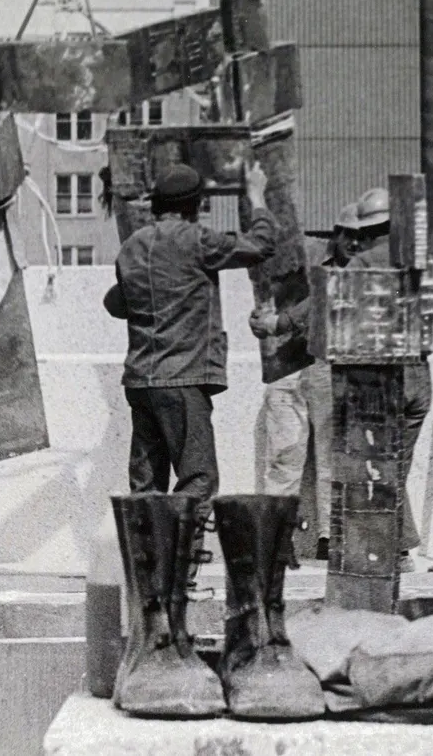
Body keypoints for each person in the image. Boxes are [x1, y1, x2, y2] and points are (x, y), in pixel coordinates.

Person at [104, 161, 276, 579]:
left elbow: (116, 304)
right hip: (184, 378)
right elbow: (261, 244)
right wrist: (256, 197)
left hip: (142, 380)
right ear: (194, 206)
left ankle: (145, 579)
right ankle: (184, 576)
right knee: (197, 480)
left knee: (146, 486)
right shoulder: (196, 240)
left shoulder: (131, 247)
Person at [255, 185, 432, 571]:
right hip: (420, 376)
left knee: (374, 467)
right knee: (396, 465)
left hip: (381, 375)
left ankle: (385, 554)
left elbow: (322, 304)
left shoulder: (365, 264)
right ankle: (398, 550)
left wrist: (277, 323)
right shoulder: (421, 260)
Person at [249, 221, 349, 563]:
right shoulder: (276, 259)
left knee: (329, 457)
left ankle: (328, 537)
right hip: (287, 366)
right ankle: (280, 539)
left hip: (323, 364)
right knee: (285, 456)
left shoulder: (344, 267)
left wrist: (275, 322)